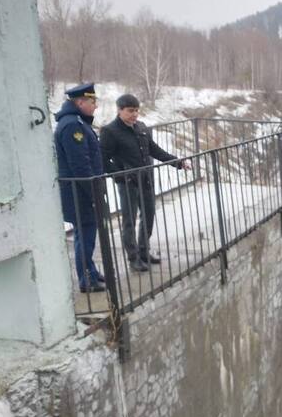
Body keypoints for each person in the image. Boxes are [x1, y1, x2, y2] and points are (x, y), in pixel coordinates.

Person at [100, 94, 191, 272]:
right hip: (127, 183)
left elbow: (155, 150)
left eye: (136, 110)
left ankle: (144, 251)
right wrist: (120, 175)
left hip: (146, 179)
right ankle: (133, 257)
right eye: (130, 111)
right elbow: (103, 159)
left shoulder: (141, 127)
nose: (134, 114)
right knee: (129, 220)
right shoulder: (110, 131)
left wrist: (177, 162)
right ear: (119, 110)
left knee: (148, 216)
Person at [54, 82, 106, 293]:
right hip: (81, 193)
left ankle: (90, 271)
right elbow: (80, 165)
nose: (95, 107)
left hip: (82, 191)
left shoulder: (76, 122)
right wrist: (93, 193)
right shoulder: (73, 125)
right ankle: (87, 279)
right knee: (84, 236)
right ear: (81, 102)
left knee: (85, 235)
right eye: (93, 102)